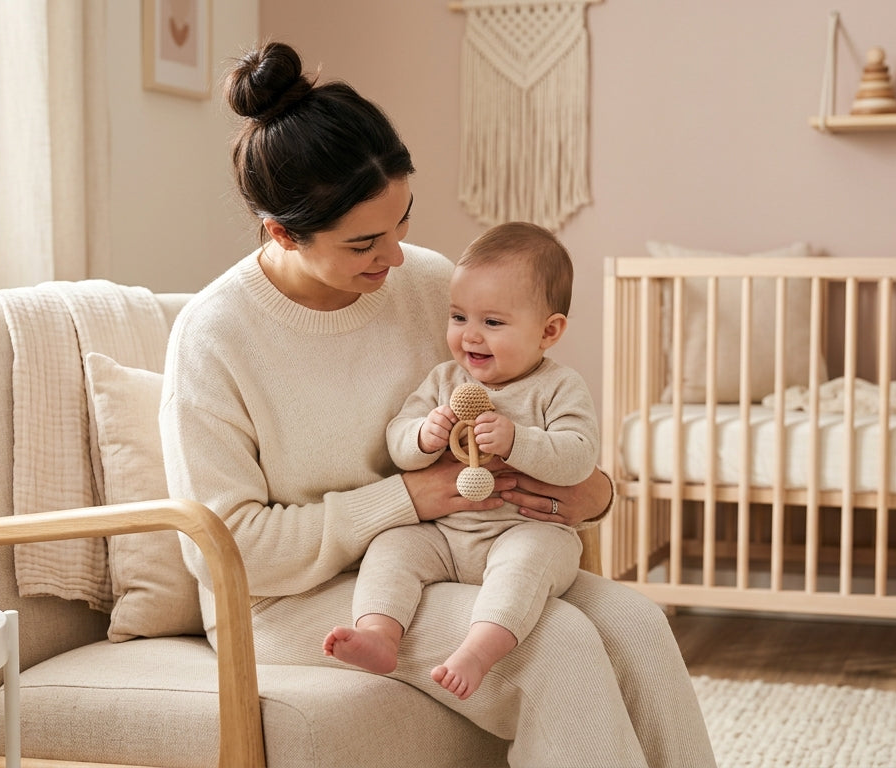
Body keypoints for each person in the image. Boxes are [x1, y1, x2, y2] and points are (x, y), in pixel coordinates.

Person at [159, 40, 716, 767]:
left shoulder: (424, 284)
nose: (394, 258)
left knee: (638, 623)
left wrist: (591, 495)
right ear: (283, 233)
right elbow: (229, 549)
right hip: (287, 602)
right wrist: (408, 500)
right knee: (556, 646)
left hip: (461, 553)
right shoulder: (215, 337)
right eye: (365, 242)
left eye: (403, 222)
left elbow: (533, 394)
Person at [324, 222, 597, 701]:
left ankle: (478, 651)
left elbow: (578, 457)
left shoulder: (559, 387)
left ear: (549, 331)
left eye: (493, 323)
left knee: (528, 561)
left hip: (521, 530)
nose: (470, 336)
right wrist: (425, 436)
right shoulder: (444, 380)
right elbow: (398, 441)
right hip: (445, 535)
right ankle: (380, 635)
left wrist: (518, 441)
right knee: (392, 546)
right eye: (458, 317)